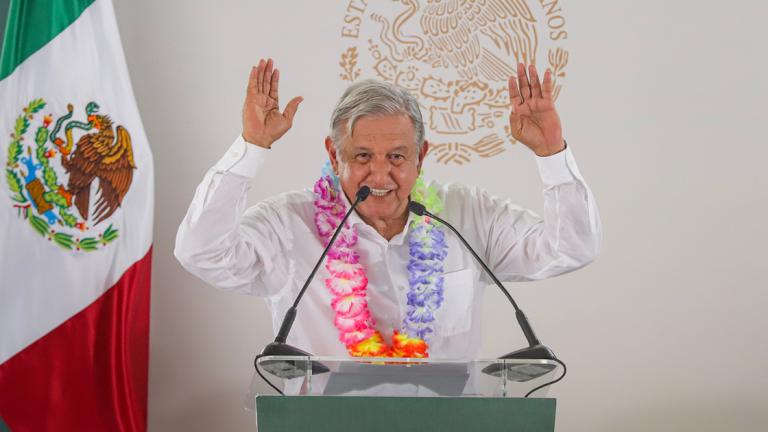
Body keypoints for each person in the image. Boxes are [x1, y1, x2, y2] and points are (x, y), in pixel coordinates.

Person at [175, 58, 601, 360]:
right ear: (333, 152)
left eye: (397, 157)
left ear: (422, 155)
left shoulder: (468, 215)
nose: (379, 176)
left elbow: (572, 248)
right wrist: (251, 149)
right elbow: (200, 252)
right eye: (362, 157)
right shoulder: (287, 225)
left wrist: (551, 155)